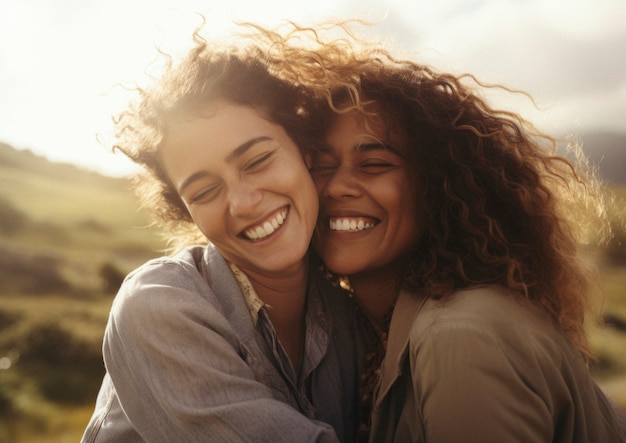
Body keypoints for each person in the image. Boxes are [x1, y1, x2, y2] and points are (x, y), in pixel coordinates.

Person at [270, 23, 626, 443]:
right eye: (321, 166)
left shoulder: (459, 337)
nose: (335, 186)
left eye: (375, 164)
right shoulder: (372, 333)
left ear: (438, 186)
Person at [80, 28, 362, 443]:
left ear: (305, 151)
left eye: (258, 160)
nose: (243, 203)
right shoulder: (158, 305)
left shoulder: (345, 315)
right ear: (185, 210)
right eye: (205, 191)